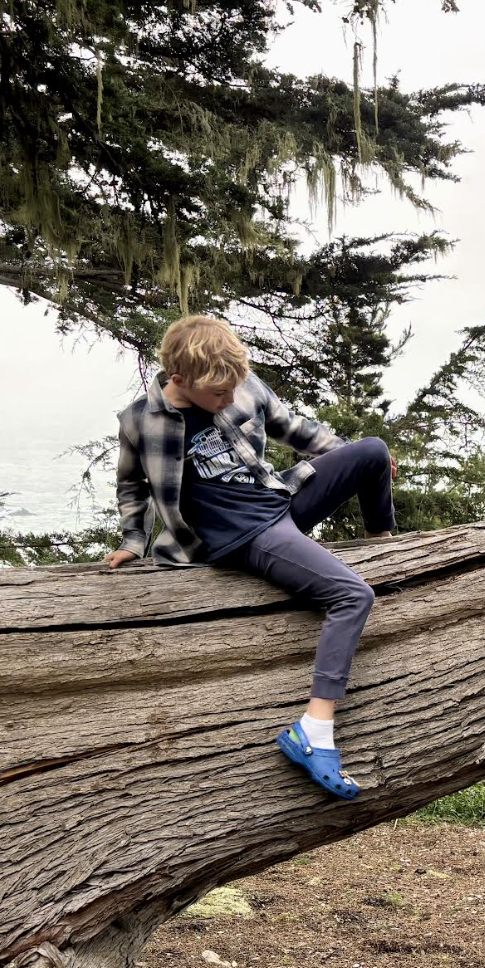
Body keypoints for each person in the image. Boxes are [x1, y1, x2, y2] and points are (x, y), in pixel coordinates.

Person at [106, 315, 395, 799]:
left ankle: (383, 545)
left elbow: (297, 431)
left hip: (276, 499)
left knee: (372, 452)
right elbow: (131, 484)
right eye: (218, 395)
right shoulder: (140, 419)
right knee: (351, 595)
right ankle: (315, 729)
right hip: (242, 537)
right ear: (179, 380)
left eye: (232, 390)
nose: (228, 399)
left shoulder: (242, 385)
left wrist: (344, 461)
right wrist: (133, 541)